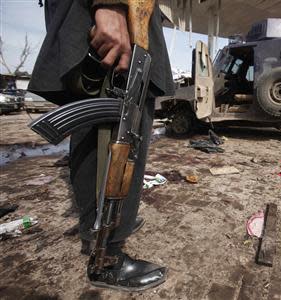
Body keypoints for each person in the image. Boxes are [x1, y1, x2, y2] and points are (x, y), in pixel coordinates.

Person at [28, 0, 174, 291]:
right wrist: (110, 6)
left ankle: (103, 233)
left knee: (119, 129)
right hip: (113, 17)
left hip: (125, 16)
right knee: (112, 130)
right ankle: (105, 258)